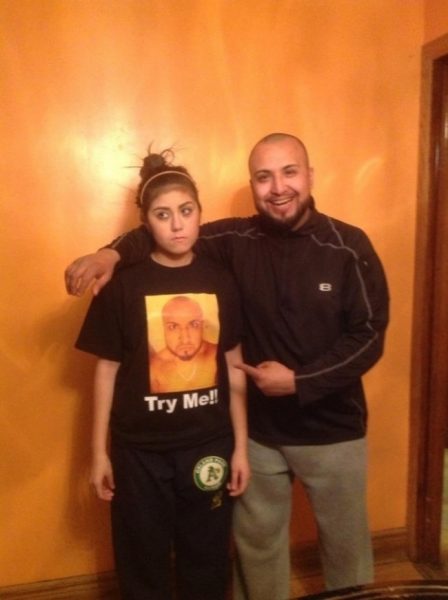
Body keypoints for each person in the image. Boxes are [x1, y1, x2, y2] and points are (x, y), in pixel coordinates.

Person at [67, 133, 389, 599]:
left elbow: (370, 336)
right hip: (257, 436)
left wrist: (299, 381)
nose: (278, 187)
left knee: (346, 552)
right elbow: (160, 226)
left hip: (332, 430)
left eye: (289, 172)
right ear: (252, 184)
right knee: (256, 549)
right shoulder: (232, 239)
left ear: (310, 175)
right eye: (263, 177)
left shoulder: (348, 245)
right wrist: (110, 253)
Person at [75, 148, 250, 600]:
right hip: (138, 453)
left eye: (186, 211)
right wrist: (98, 453)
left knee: (206, 559)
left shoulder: (222, 280)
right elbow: (106, 370)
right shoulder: (121, 285)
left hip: (208, 445)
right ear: (145, 223)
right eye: (163, 214)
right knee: (142, 560)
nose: (176, 225)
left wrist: (241, 447)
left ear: (200, 214)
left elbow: (233, 366)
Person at [150, 295, 218, 392]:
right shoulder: (153, 369)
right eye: (173, 327)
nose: (185, 340)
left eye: (194, 325)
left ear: (203, 326)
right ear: (163, 330)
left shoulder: (217, 356)